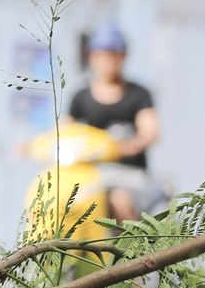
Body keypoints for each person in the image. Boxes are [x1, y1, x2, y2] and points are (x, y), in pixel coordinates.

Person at [67, 20, 165, 221]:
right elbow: (64, 133)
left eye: (113, 55)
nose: (108, 61)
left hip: (130, 177)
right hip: (91, 176)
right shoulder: (80, 96)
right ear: (92, 57)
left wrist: (131, 145)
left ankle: (131, 250)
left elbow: (150, 131)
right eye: (102, 55)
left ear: (123, 57)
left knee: (119, 199)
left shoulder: (138, 94)